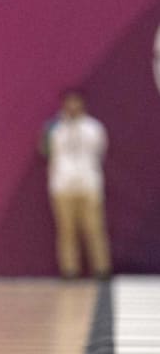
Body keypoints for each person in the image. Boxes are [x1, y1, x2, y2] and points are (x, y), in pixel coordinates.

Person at [42, 91, 111, 279]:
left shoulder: (94, 128)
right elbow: (45, 150)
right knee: (66, 230)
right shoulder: (55, 128)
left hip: (89, 183)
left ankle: (101, 268)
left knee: (94, 228)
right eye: (69, 103)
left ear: (82, 104)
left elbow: (100, 151)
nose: (73, 107)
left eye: (76, 103)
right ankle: (70, 270)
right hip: (62, 185)